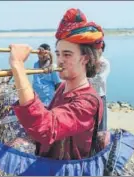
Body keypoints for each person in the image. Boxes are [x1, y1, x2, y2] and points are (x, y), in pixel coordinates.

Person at [10, 8, 104, 160]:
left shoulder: (88, 101)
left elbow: (46, 128)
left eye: (67, 54)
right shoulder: (62, 88)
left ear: (85, 59)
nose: (60, 60)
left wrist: (18, 65)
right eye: (58, 53)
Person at [89, 41, 110, 131]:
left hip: (99, 96)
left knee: (101, 124)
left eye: (98, 48)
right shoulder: (89, 62)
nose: (96, 51)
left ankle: (101, 141)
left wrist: (86, 79)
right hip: (88, 96)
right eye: (94, 48)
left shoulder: (104, 63)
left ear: (102, 50)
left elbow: (100, 79)